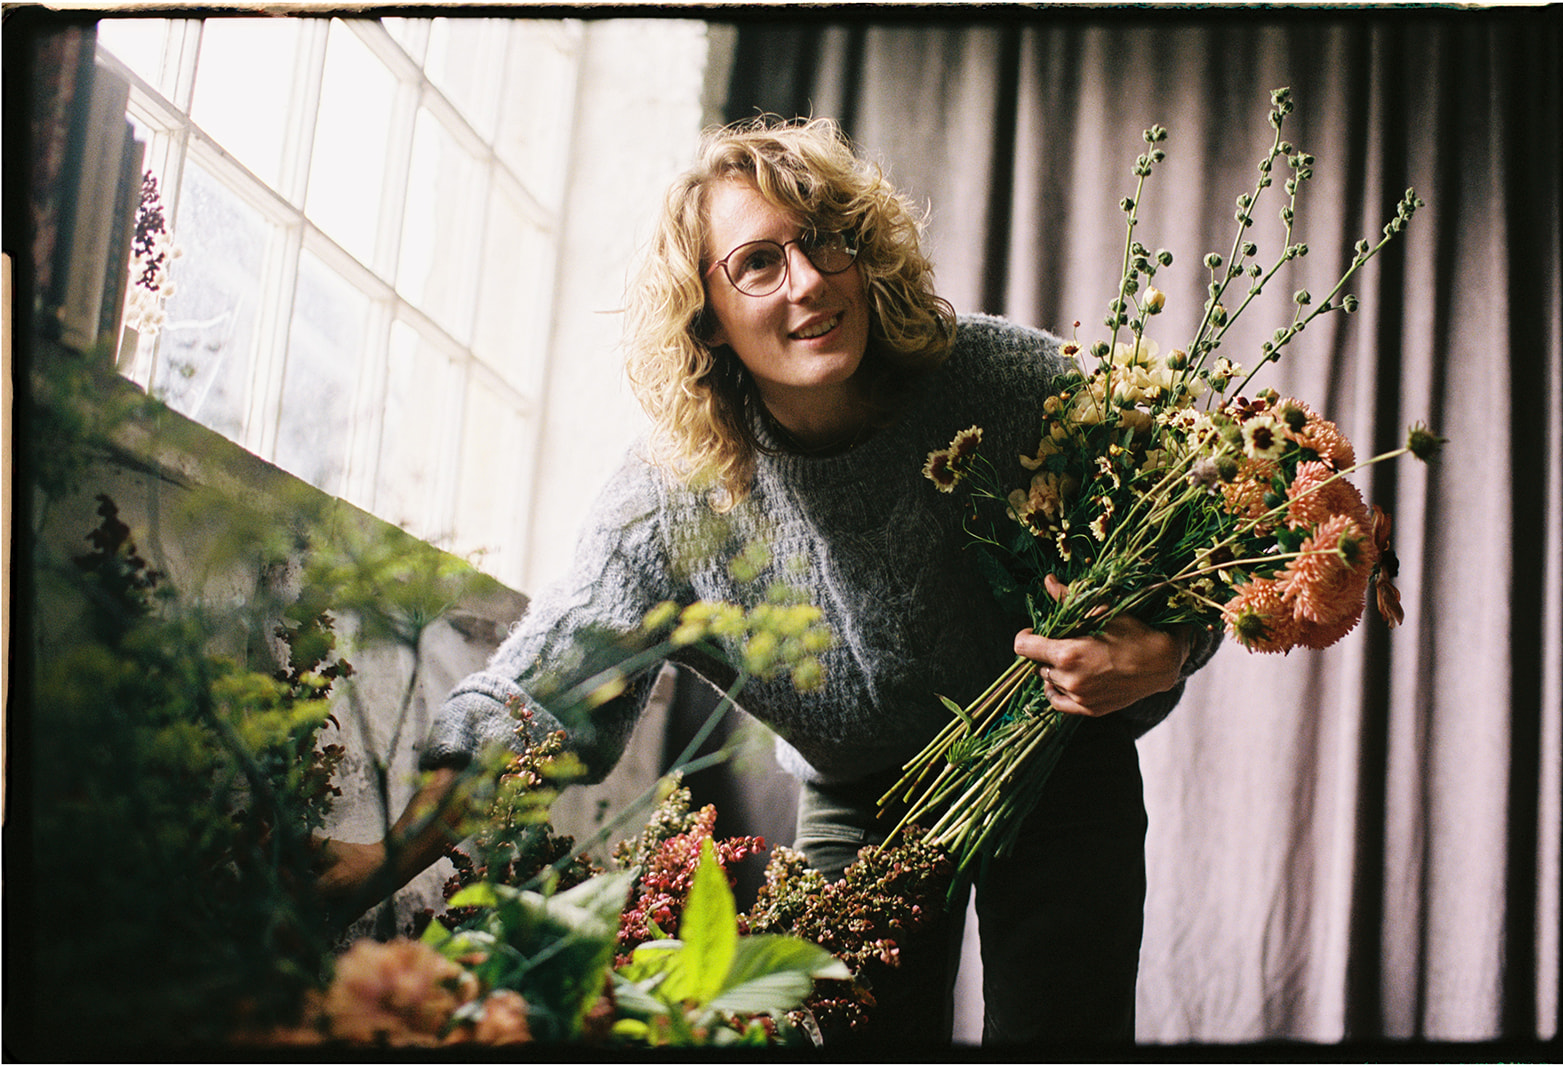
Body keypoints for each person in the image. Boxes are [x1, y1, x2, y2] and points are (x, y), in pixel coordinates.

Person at [318, 116, 1217, 1047]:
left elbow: (1197, 522)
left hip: (1055, 759)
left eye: (826, 239)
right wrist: (384, 858)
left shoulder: (999, 377)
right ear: (704, 311)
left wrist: (1171, 648)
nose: (809, 282)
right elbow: (542, 698)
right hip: (862, 793)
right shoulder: (674, 492)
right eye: (756, 262)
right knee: (837, 1032)